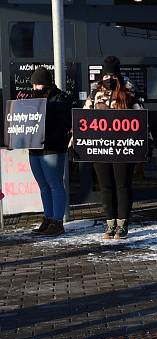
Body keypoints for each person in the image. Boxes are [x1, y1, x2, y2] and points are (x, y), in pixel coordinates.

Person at [83, 56, 142, 240]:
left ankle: (123, 224)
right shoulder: (95, 93)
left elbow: (141, 119)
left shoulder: (129, 92)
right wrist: (75, 142)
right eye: (106, 75)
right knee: (106, 186)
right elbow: (83, 119)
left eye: (113, 75)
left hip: (123, 147)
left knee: (122, 185)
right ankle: (110, 223)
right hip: (100, 147)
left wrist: (147, 143)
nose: (109, 78)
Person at [28, 66, 72, 237]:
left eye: (38, 84)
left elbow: (64, 125)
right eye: (33, 85)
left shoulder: (60, 99)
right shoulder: (33, 99)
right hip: (35, 147)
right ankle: (48, 218)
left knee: (54, 184)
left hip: (52, 148)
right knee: (43, 185)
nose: (35, 88)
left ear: (46, 84)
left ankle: (57, 221)